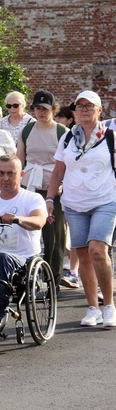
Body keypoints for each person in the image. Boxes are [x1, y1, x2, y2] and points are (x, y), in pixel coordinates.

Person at [46, 90, 116, 328]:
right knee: (83, 254)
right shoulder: (67, 138)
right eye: (80, 106)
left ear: (100, 110)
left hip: (105, 201)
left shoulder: (111, 136)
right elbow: (58, 172)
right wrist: (48, 199)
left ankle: (108, 305)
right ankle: (92, 308)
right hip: (74, 204)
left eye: (89, 106)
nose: (84, 110)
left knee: (98, 250)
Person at [0, 155, 47, 330]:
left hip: (24, 258)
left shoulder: (32, 199)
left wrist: (18, 219)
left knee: (3, 258)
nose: (5, 178)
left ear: (21, 174)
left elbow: (39, 221)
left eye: (11, 173)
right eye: (1, 173)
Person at [16, 90, 69, 289]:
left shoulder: (62, 131)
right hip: (30, 186)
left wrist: (63, 184)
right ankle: (26, 279)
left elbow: (68, 161)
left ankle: (53, 280)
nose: (41, 112)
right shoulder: (27, 130)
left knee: (54, 235)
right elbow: (20, 159)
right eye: (37, 108)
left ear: (53, 110)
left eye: (45, 109)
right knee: (26, 233)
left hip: (54, 189)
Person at [52, 103, 81, 288]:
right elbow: (60, 167)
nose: (57, 120)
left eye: (60, 117)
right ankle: (74, 271)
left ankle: (75, 271)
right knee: (74, 235)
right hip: (70, 193)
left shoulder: (102, 135)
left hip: (95, 196)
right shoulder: (67, 137)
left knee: (91, 242)